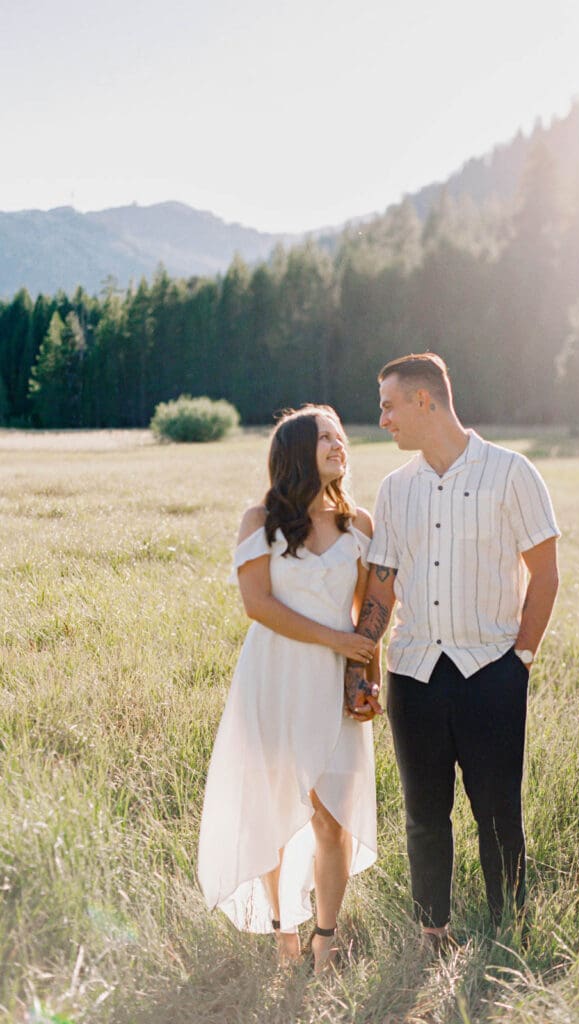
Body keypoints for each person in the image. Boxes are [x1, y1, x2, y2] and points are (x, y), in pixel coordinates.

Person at [344, 353, 560, 950]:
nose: (382, 419)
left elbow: (545, 575)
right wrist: (362, 664)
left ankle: (507, 930)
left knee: (498, 815)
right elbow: (382, 586)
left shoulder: (511, 473)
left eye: (389, 405)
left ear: (423, 401)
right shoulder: (395, 490)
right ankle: (432, 932)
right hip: (412, 675)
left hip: (491, 674)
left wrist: (521, 661)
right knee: (423, 817)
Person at [198, 405, 380, 973]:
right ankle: (284, 933)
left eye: (341, 437)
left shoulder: (361, 526)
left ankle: (325, 940)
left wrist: (368, 677)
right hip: (274, 678)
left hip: (335, 685)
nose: (338, 444)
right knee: (274, 809)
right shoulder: (261, 521)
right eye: (325, 437)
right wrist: (337, 639)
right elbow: (259, 607)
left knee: (335, 816)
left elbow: (369, 615)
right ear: (297, 450)